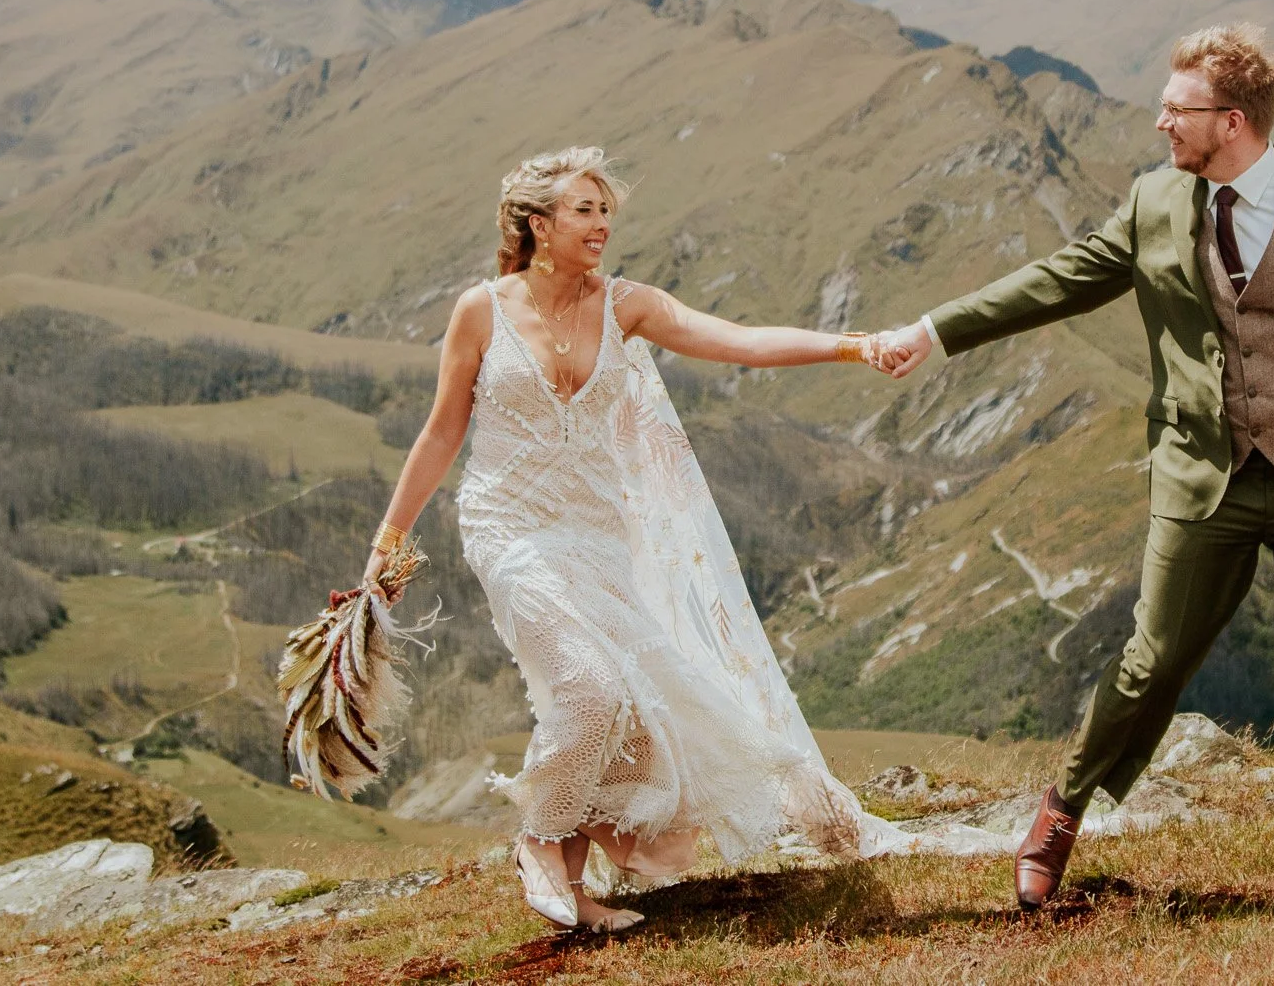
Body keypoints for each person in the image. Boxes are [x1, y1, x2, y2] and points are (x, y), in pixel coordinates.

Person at [875, 23, 1274, 909]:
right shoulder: (1153, 204)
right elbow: (1060, 277)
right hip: (1202, 472)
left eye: (1176, 110)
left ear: (1232, 121)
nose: (1158, 124)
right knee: (1152, 658)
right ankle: (1059, 815)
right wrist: (936, 330)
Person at [361, 145, 904, 933]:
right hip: (509, 528)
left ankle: (575, 893)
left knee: (619, 701)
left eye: (606, 209)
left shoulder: (627, 304)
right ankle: (539, 841)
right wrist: (389, 539)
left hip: (599, 536)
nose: (602, 223)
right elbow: (443, 429)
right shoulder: (481, 309)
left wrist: (855, 345)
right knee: (589, 687)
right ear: (537, 224)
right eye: (585, 209)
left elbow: (741, 340)